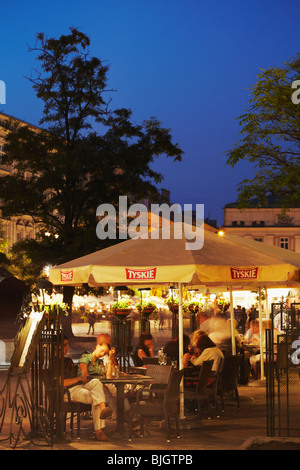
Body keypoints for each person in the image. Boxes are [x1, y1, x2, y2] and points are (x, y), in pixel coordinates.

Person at [48, 336, 112, 442]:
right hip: (68, 391)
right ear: (56, 347)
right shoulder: (55, 363)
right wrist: (78, 378)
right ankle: (99, 432)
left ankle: (103, 408)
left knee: (96, 383)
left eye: (67, 344)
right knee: (97, 397)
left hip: (79, 387)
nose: (67, 347)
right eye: (64, 345)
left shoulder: (67, 360)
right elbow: (60, 383)